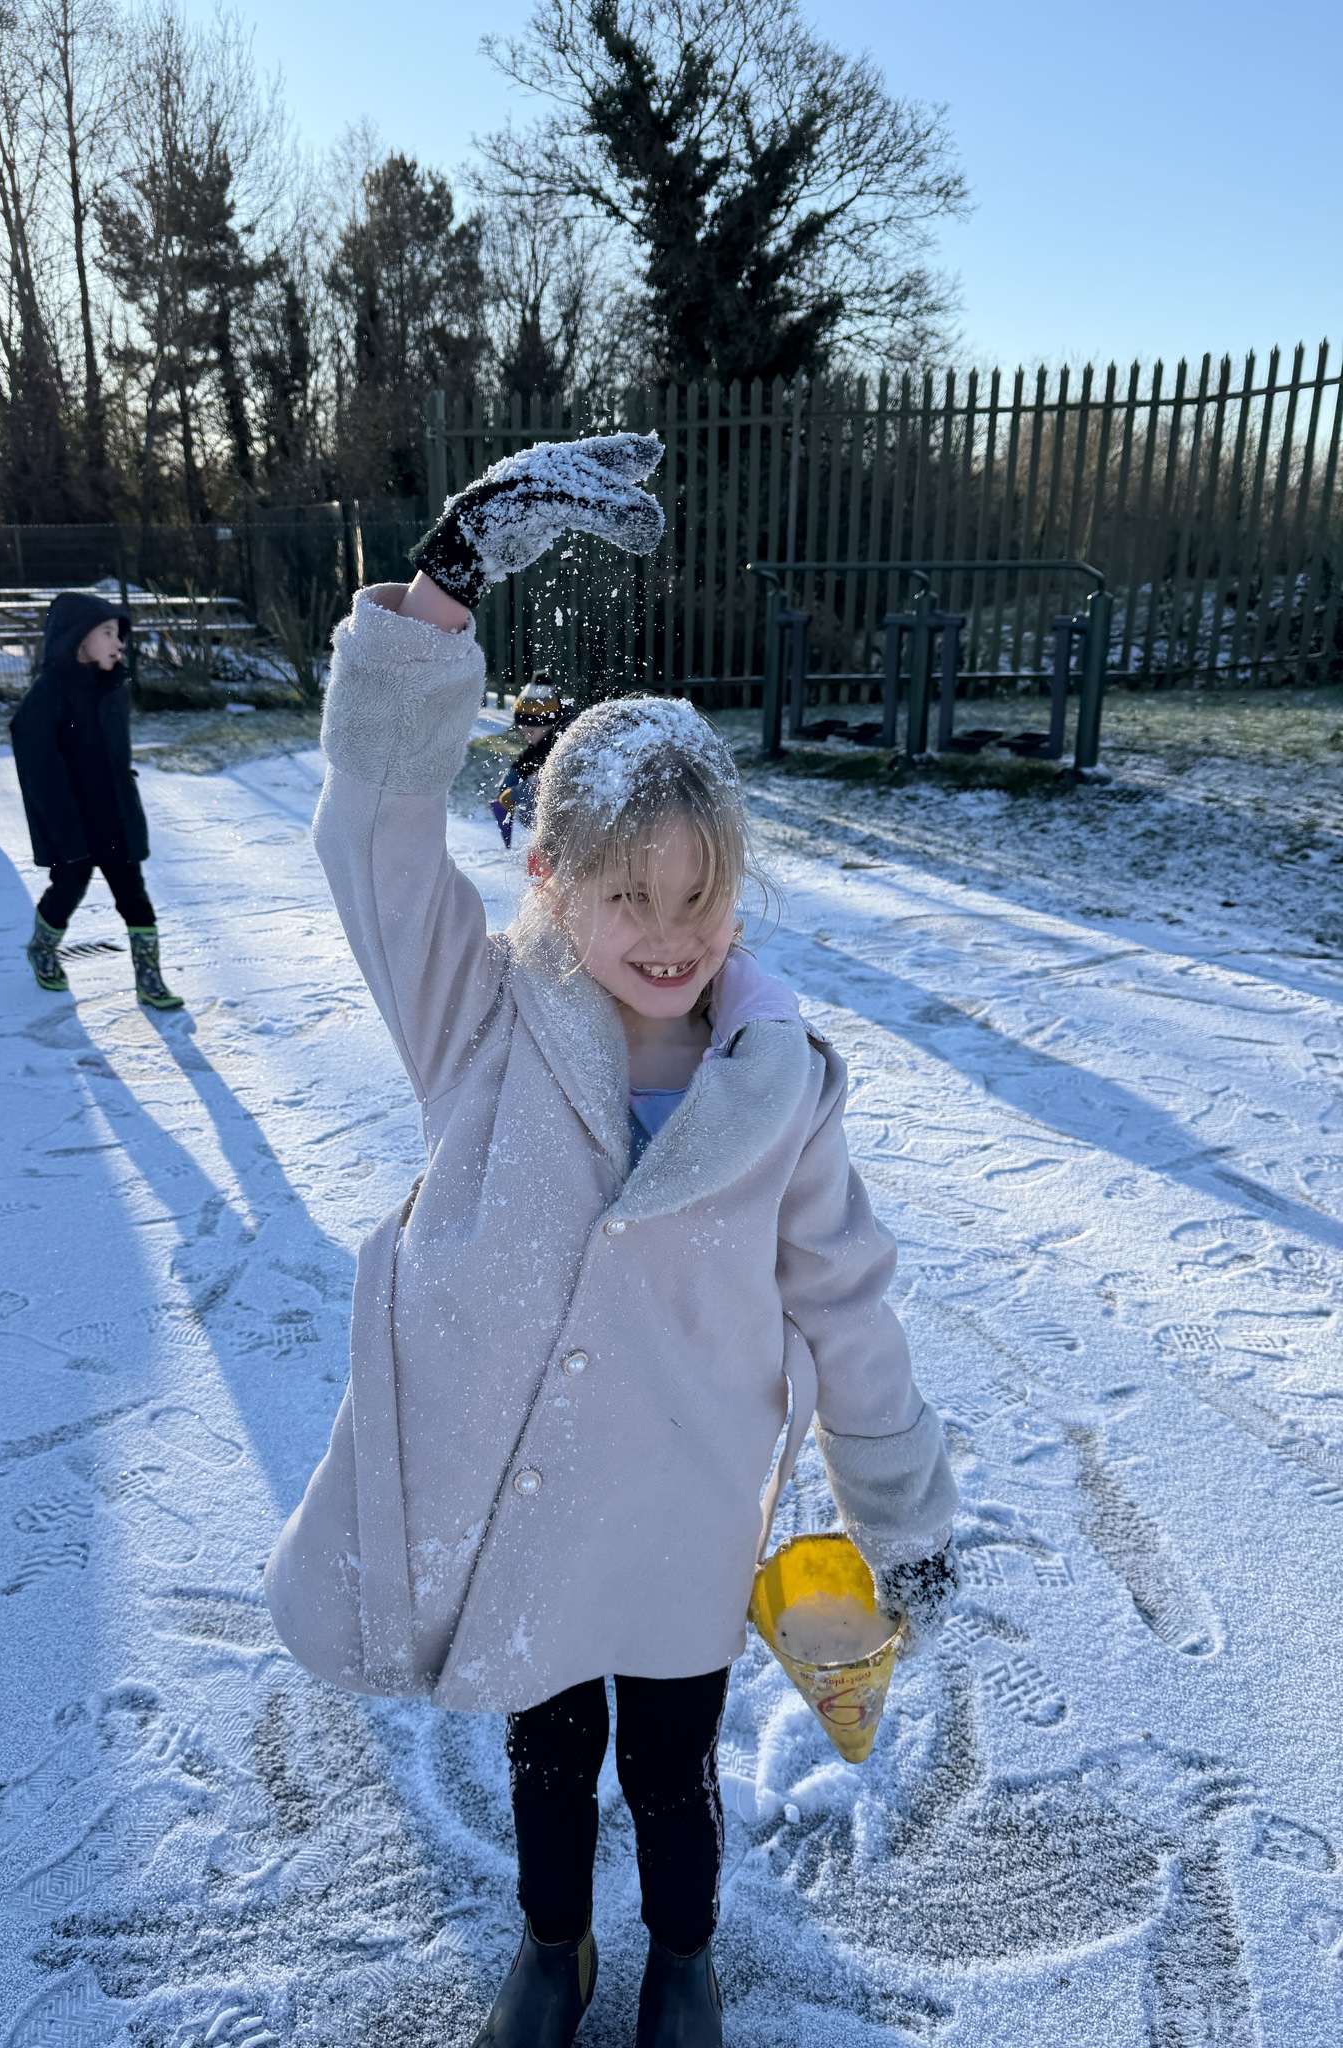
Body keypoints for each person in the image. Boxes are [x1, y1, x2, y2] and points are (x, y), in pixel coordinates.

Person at [263, 434, 958, 2048]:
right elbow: (371, 832)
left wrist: (902, 1507)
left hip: (689, 1511)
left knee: (670, 1762)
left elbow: (847, 1302)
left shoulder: (776, 1083)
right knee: (551, 1754)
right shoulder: (478, 1026)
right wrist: (440, 592)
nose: (668, 936)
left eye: (699, 900)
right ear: (549, 878)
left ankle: (685, 1957)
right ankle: (554, 1945)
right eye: (629, 897)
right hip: (528, 1500)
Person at [9, 591, 182, 1010]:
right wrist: (62, 829)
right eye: (107, 633)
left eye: (118, 634)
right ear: (77, 639)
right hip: (71, 821)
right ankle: (41, 948)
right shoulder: (47, 696)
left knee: (133, 895)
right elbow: (39, 769)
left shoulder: (111, 687)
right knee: (69, 888)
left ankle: (149, 980)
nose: (118, 643)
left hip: (113, 816)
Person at [491, 670, 573, 846]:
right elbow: (529, 757)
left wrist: (516, 793)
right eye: (523, 732)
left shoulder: (567, 743)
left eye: (530, 732)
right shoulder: (545, 740)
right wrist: (513, 774)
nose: (527, 737)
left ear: (549, 724)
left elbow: (549, 778)